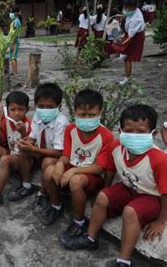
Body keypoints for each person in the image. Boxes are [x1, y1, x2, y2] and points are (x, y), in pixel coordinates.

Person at [62, 104, 167, 267]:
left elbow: (165, 192)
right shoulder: (116, 147)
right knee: (103, 197)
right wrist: (105, 188)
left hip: (151, 196)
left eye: (141, 132)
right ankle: (90, 238)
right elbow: (110, 170)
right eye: (129, 130)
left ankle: (123, 261)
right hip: (128, 188)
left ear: (153, 134)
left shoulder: (160, 159)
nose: (134, 135)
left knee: (130, 211)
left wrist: (161, 221)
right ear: (120, 130)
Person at [39, 89, 113, 232]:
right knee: (49, 171)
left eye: (92, 115)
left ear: (100, 113)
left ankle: (79, 221)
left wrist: (74, 170)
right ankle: (56, 205)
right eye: (82, 115)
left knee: (76, 181)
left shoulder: (106, 135)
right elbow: (66, 155)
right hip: (73, 167)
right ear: (75, 112)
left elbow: (100, 168)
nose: (86, 119)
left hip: (91, 175)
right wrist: (60, 163)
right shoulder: (70, 129)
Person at [17, 83, 70, 214]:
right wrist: (25, 141)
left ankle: (43, 191)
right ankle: (26, 185)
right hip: (42, 152)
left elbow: (59, 152)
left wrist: (33, 149)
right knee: (23, 150)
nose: (45, 109)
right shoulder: (37, 116)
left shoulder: (61, 123)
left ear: (59, 107)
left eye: (50, 106)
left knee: (47, 161)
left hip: (56, 157)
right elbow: (33, 137)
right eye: (41, 106)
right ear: (36, 105)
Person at [110, 0, 146, 85]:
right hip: (130, 33)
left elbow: (130, 37)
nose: (125, 9)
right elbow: (126, 15)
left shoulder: (137, 19)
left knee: (128, 59)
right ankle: (123, 54)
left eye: (127, 7)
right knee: (125, 55)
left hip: (136, 37)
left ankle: (127, 79)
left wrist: (121, 43)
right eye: (125, 6)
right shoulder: (134, 10)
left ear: (133, 7)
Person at [8, 7, 22, 77]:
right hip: (12, 42)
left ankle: (15, 73)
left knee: (13, 57)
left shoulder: (16, 21)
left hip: (14, 42)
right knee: (12, 57)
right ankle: (14, 72)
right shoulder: (15, 21)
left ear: (15, 13)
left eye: (11, 12)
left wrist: (13, 44)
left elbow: (16, 34)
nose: (10, 14)